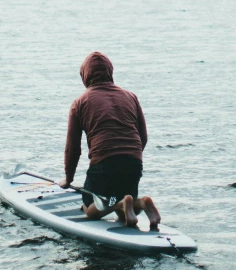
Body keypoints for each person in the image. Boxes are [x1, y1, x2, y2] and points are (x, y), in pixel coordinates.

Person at [59, 51, 161, 230]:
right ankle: (142, 203)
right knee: (125, 212)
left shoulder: (80, 103)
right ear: (110, 72)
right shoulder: (131, 96)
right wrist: (130, 157)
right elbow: (142, 137)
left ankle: (117, 204)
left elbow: (72, 149)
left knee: (90, 209)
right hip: (133, 161)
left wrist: (68, 179)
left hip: (104, 163)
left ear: (85, 76)